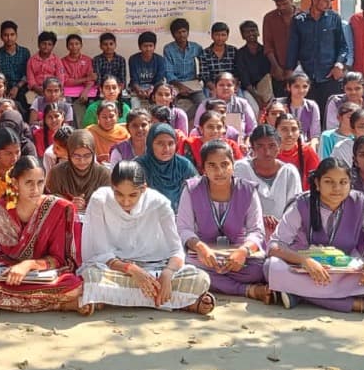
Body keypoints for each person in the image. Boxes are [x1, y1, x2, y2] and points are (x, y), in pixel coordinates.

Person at [266, 158, 364, 317]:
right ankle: (360, 304)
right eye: (329, 182)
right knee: (273, 267)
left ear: (351, 183)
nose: (337, 188)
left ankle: (300, 295)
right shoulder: (302, 204)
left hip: (346, 267)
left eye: (343, 182)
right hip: (307, 270)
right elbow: (275, 246)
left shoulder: (358, 202)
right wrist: (305, 261)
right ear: (317, 183)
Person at [80, 161, 214, 314]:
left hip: (156, 268)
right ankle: (178, 301)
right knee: (91, 276)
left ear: (143, 188)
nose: (125, 202)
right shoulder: (100, 200)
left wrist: (168, 274)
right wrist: (132, 270)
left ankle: (114, 298)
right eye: (119, 194)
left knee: (200, 279)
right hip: (117, 269)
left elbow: (176, 250)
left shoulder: (159, 203)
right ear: (112, 186)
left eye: (132, 195)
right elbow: (100, 253)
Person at [0, 155, 86, 313]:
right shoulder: (0, 211)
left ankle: (49, 303)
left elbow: (60, 260)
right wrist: (13, 270)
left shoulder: (58, 208)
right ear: (15, 183)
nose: (36, 190)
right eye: (29, 183)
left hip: (42, 273)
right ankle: (59, 305)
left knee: (74, 286)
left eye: (40, 183)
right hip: (9, 274)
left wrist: (28, 265)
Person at [177, 140, 270, 302]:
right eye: (212, 165)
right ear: (203, 168)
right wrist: (200, 247)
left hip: (239, 253)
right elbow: (184, 228)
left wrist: (243, 251)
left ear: (233, 165)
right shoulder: (192, 189)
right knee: (186, 267)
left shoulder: (247, 190)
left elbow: (256, 230)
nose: (219, 171)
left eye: (225, 164)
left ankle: (217, 283)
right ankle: (246, 290)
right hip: (204, 255)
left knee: (260, 270)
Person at [285, 0, 348, 127]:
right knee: (307, 114)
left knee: (329, 115)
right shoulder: (299, 20)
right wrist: (289, 71)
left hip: (329, 75)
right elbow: (293, 48)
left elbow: (343, 46)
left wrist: (339, 64)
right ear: (314, 0)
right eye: (325, 1)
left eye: (330, 1)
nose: (328, 4)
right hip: (307, 76)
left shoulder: (334, 18)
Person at [234, 124, 302, 238]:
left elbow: (295, 209)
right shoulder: (241, 168)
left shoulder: (289, 172)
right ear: (253, 147)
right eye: (260, 146)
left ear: (279, 146)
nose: (267, 152)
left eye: (272, 146)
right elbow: (236, 205)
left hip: (283, 235)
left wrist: (279, 223)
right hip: (248, 233)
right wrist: (259, 219)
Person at [135, 123, 197, 212]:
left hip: (180, 218)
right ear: (150, 144)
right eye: (160, 143)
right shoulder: (139, 166)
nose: (166, 149)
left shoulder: (183, 165)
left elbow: (197, 192)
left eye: (171, 143)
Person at [47, 128, 110, 213]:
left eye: (87, 156)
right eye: (76, 156)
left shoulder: (104, 175)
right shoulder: (57, 173)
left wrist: (89, 205)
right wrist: (67, 205)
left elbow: (109, 205)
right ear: (69, 154)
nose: (82, 161)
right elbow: (48, 202)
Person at [263, 0, 299, 99]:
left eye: (285, 4)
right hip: (278, 72)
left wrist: (293, 69)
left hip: (299, 71)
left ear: (292, 0)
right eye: (278, 5)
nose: (281, 8)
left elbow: (307, 47)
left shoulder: (303, 17)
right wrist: (276, 67)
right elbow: (268, 46)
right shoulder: (269, 18)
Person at [180, 110, 245, 169]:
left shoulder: (231, 145)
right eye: (210, 127)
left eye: (219, 127)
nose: (215, 131)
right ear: (201, 129)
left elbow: (239, 169)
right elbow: (188, 170)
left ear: (224, 129)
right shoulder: (191, 144)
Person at [234, 20, 273, 112]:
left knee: (272, 110)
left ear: (258, 32)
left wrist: (265, 94)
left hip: (267, 88)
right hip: (249, 90)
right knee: (253, 110)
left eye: (253, 30)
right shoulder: (240, 54)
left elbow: (269, 73)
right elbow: (244, 77)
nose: (251, 34)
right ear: (243, 36)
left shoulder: (266, 51)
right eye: (247, 32)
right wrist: (257, 96)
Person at [164, 18, 204, 106]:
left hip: (192, 83)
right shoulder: (168, 49)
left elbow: (204, 65)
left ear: (188, 32)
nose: (182, 35)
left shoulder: (196, 47)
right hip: (175, 84)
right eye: (178, 32)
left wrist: (199, 78)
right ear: (173, 34)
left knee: (202, 103)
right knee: (170, 102)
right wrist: (180, 86)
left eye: (184, 31)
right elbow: (168, 72)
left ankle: (192, 120)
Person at [0, 21, 32, 112]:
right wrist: (4, 89)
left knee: (22, 103)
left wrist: (17, 87)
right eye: (6, 35)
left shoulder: (24, 52)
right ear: (1, 37)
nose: (9, 38)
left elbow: (27, 73)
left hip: (22, 87)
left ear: (16, 35)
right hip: (4, 88)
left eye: (12, 35)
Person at [276, 113, 320, 187]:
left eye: (294, 129)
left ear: (299, 132)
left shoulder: (307, 151)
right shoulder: (270, 153)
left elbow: (316, 180)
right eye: (284, 129)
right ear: (276, 131)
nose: (290, 134)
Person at [60, 33, 97, 119]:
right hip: (68, 92)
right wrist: (86, 78)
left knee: (91, 104)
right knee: (68, 105)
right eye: (71, 44)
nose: (74, 46)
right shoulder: (62, 61)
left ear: (81, 45)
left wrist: (85, 91)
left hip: (86, 91)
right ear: (67, 46)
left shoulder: (87, 60)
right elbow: (66, 81)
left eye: (77, 44)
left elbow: (92, 79)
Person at [128, 31, 168, 105]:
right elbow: (134, 79)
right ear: (140, 47)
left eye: (150, 46)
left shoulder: (160, 60)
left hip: (154, 88)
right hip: (138, 88)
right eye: (145, 46)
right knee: (134, 102)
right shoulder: (133, 59)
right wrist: (139, 90)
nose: (148, 49)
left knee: (158, 101)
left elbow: (159, 80)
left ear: (154, 46)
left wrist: (152, 90)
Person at [26, 31, 66, 103]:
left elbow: (60, 79)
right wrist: (39, 90)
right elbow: (30, 80)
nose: (46, 46)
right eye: (44, 43)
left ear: (53, 46)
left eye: (49, 44)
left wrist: (52, 90)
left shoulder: (57, 60)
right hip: (37, 91)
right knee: (33, 105)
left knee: (62, 104)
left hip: (54, 90)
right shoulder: (31, 61)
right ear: (38, 44)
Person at [283, 73, 322, 143]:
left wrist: (310, 148)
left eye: (305, 86)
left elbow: (315, 134)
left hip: (305, 145)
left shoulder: (312, 106)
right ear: (289, 87)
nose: (301, 90)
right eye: (296, 86)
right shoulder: (281, 105)